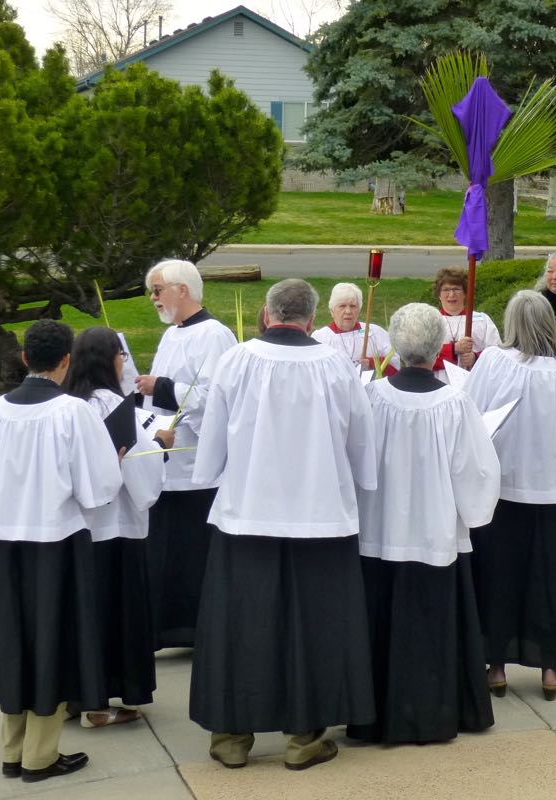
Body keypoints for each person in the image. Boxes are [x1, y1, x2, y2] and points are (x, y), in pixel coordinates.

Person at [189, 279, 376, 770]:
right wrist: (358, 483)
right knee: (314, 626)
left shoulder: (236, 360)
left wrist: (212, 476)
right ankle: (304, 737)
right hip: (320, 518)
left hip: (247, 513)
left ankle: (231, 736)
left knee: (242, 623)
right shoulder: (337, 365)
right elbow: (361, 445)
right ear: (312, 319)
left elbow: (210, 448)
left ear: (269, 314)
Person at [0, 320, 124, 784]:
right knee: (51, 641)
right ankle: (38, 756)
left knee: (11, 639)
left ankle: (12, 749)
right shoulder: (73, 412)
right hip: (55, 543)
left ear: (26, 358)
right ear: (65, 360)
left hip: (0, 545)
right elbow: (100, 488)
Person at [349, 303, 500, 744]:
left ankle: (374, 717)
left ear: (395, 347)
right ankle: (436, 714)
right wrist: (474, 515)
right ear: (438, 348)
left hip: (379, 535)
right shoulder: (455, 403)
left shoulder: (372, 396)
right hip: (435, 535)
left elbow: (356, 462)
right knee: (434, 630)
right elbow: (478, 471)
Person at [465, 291, 556, 700]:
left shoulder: (495, 364)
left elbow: (470, 415)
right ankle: (550, 669)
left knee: (500, 575)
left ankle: (496, 666)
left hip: (507, 493)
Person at [62, 327, 174, 727]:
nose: (124, 362)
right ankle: (108, 699)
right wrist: (161, 444)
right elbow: (139, 473)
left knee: (83, 615)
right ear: (108, 360)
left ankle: (76, 697)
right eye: (120, 355)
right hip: (116, 529)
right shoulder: (114, 405)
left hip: (75, 530)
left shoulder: (67, 403)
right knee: (117, 615)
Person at [134, 259, 237, 649]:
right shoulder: (172, 334)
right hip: (163, 459)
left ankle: (199, 630)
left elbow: (218, 398)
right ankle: (165, 628)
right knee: (165, 553)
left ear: (183, 289)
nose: (153, 298)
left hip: (195, 465)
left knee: (192, 553)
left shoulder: (214, 335)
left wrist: (162, 387)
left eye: (158, 289)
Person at [311, 282, 401, 375]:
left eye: (353, 306)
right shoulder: (321, 338)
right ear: (332, 311)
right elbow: (314, 373)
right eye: (342, 306)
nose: (348, 311)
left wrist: (371, 363)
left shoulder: (374, 333)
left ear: (359, 310)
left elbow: (394, 365)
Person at [432, 266, 501, 375]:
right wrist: (453, 349)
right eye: (446, 290)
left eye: (456, 289)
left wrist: (476, 359)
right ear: (439, 294)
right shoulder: (430, 322)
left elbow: (497, 354)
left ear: (465, 293)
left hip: (473, 383)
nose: (451, 294)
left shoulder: (482, 320)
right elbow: (421, 358)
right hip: (439, 386)